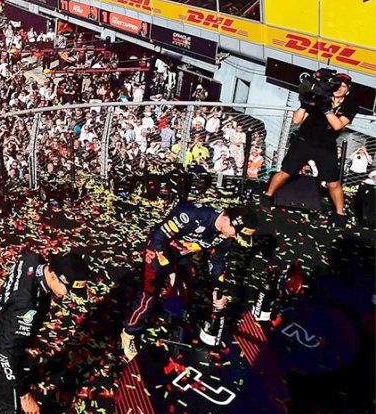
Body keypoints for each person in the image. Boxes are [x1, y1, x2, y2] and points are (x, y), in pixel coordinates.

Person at [120, 203, 258, 361]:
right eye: (236, 233)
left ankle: (173, 317)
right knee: (149, 295)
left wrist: (218, 289)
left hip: (181, 254)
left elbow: (218, 260)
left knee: (186, 284)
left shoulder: (225, 237)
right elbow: (158, 238)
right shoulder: (192, 215)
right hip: (159, 251)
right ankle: (129, 332)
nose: (234, 237)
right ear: (229, 221)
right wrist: (170, 270)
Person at [0, 250, 90, 414]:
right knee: (9, 406)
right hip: (3, 346)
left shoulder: (33, 260)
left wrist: (27, 334)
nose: (67, 295)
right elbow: (5, 354)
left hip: (1, 325)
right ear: (53, 276)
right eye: (68, 289)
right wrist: (24, 395)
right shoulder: (26, 306)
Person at [261, 73, 357, 226]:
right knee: (285, 172)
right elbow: (296, 120)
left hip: (326, 145)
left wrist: (326, 109)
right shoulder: (321, 96)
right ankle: (267, 196)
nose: (339, 89)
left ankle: (340, 214)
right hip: (304, 141)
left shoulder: (350, 105)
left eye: (343, 86)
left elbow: (337, 125)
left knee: (333, 182)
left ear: (348, 89)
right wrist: (304, 104)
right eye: (337, 85)